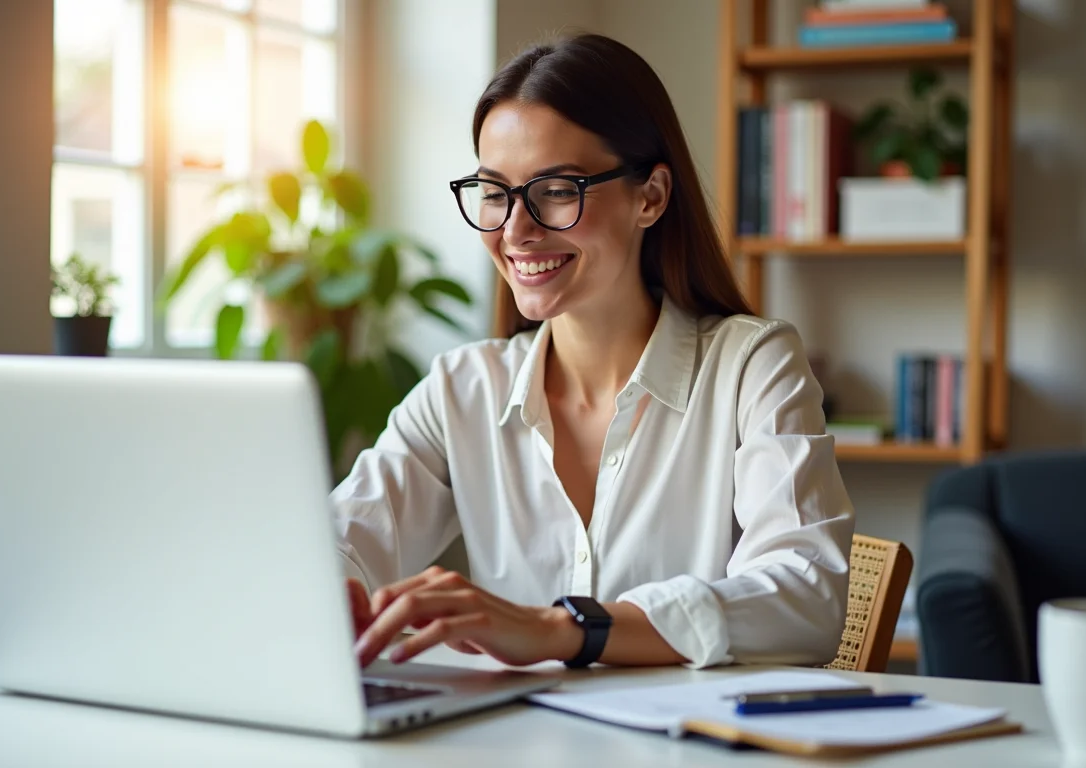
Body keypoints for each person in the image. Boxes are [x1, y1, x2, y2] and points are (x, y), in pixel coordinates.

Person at [331, 33, 854, 671]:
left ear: (651, 196)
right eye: (494, 193)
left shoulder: (752, 367)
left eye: (555, 189)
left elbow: (805, 595)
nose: (515, 231)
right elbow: (337, 544)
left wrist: (566, 630)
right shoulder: (460, 390)